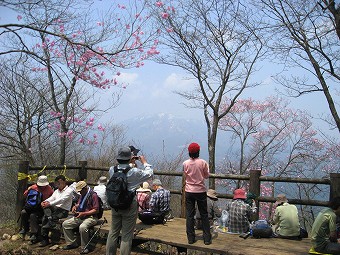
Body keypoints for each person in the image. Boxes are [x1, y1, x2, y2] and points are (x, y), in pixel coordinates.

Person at [106, 147, 153, 255]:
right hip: (129, 204)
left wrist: (129, 161)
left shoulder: (112, 169)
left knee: (113, 232)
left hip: (115, 203)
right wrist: (144, 162)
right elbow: (149, 174)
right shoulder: (133, 172)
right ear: (130, 158)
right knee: (126, 235)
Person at [183, 142, 211, 245]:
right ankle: (207, 238)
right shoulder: (203, 162)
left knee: (190, 215)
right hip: (200, 191)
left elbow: (185, 175)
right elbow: (206, 176)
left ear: (189, 152)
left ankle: (191, 238)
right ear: (198, 151)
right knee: (204, 214)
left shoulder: (185, 163)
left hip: (189, 191)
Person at [62, 181, 101, 254]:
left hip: (91, 217)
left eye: (80, 191)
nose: (79, 193)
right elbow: (79, 203)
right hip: (81, 216)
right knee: (65, 224)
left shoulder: (93, 195)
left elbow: (96, 210)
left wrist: (84, 213)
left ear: (85, 188)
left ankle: (85, 247)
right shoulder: (82, 194)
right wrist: (75, 207)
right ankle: (71, 243)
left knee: (83, 227)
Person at [39, 175, 74, 247]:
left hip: (63, 210)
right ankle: (45, 239)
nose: (58, 185)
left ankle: (54, 240)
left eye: (60, 183)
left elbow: (61, 200)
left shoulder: (69, 191)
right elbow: (52, 198)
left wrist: (49, 204)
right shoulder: (56, 191)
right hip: (55, 208)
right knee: (46, 216)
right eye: (57, 183)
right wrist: (45, 201)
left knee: (51, 218)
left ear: (64, 182)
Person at [19, 175, 54, 244]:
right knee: (23, 212)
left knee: (33, 215)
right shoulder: (33, 187)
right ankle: (25, 228)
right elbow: (25, 195)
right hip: (30, 207)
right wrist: (29, 190)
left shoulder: (49, 189)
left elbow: (53, 197)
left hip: (41, 209)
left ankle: (34, 234)